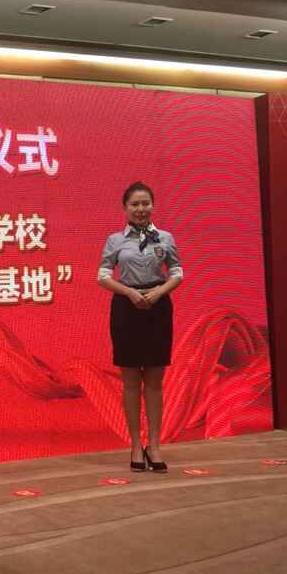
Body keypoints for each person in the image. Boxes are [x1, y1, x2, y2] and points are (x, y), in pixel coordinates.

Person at [97, 181, 183, 472]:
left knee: (155, 382)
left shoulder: (165, 238)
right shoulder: (115, 240)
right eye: (134, 204)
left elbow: (177, 272)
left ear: (153, 206)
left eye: (145, 203)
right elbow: (103, 275)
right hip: (126, 308)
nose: (141, 209)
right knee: (131, 381)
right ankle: (135, 445)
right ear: (125, 208)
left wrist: (160, 292)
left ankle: (154, 445)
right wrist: (129, 293)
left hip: (158, 308)